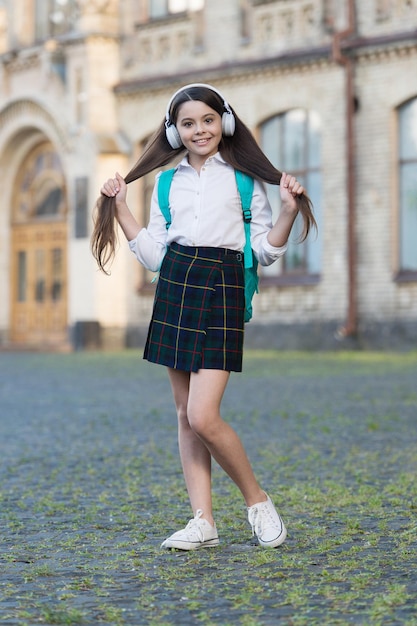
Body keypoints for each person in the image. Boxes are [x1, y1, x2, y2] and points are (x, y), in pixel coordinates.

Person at [92, 83, 316, 550]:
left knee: (202, 414)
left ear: (225, 123)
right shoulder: (167, 182)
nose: (200, 130)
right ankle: (203, 522)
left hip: (222, 284)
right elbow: (154, 254)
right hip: (175, 282)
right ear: (175, 131)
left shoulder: (243, 179)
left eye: (208, 121)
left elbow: (264, 252)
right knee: (183, 412)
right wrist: (120, 208)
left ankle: (257, 501)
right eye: (188, 123)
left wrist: (290, 212)